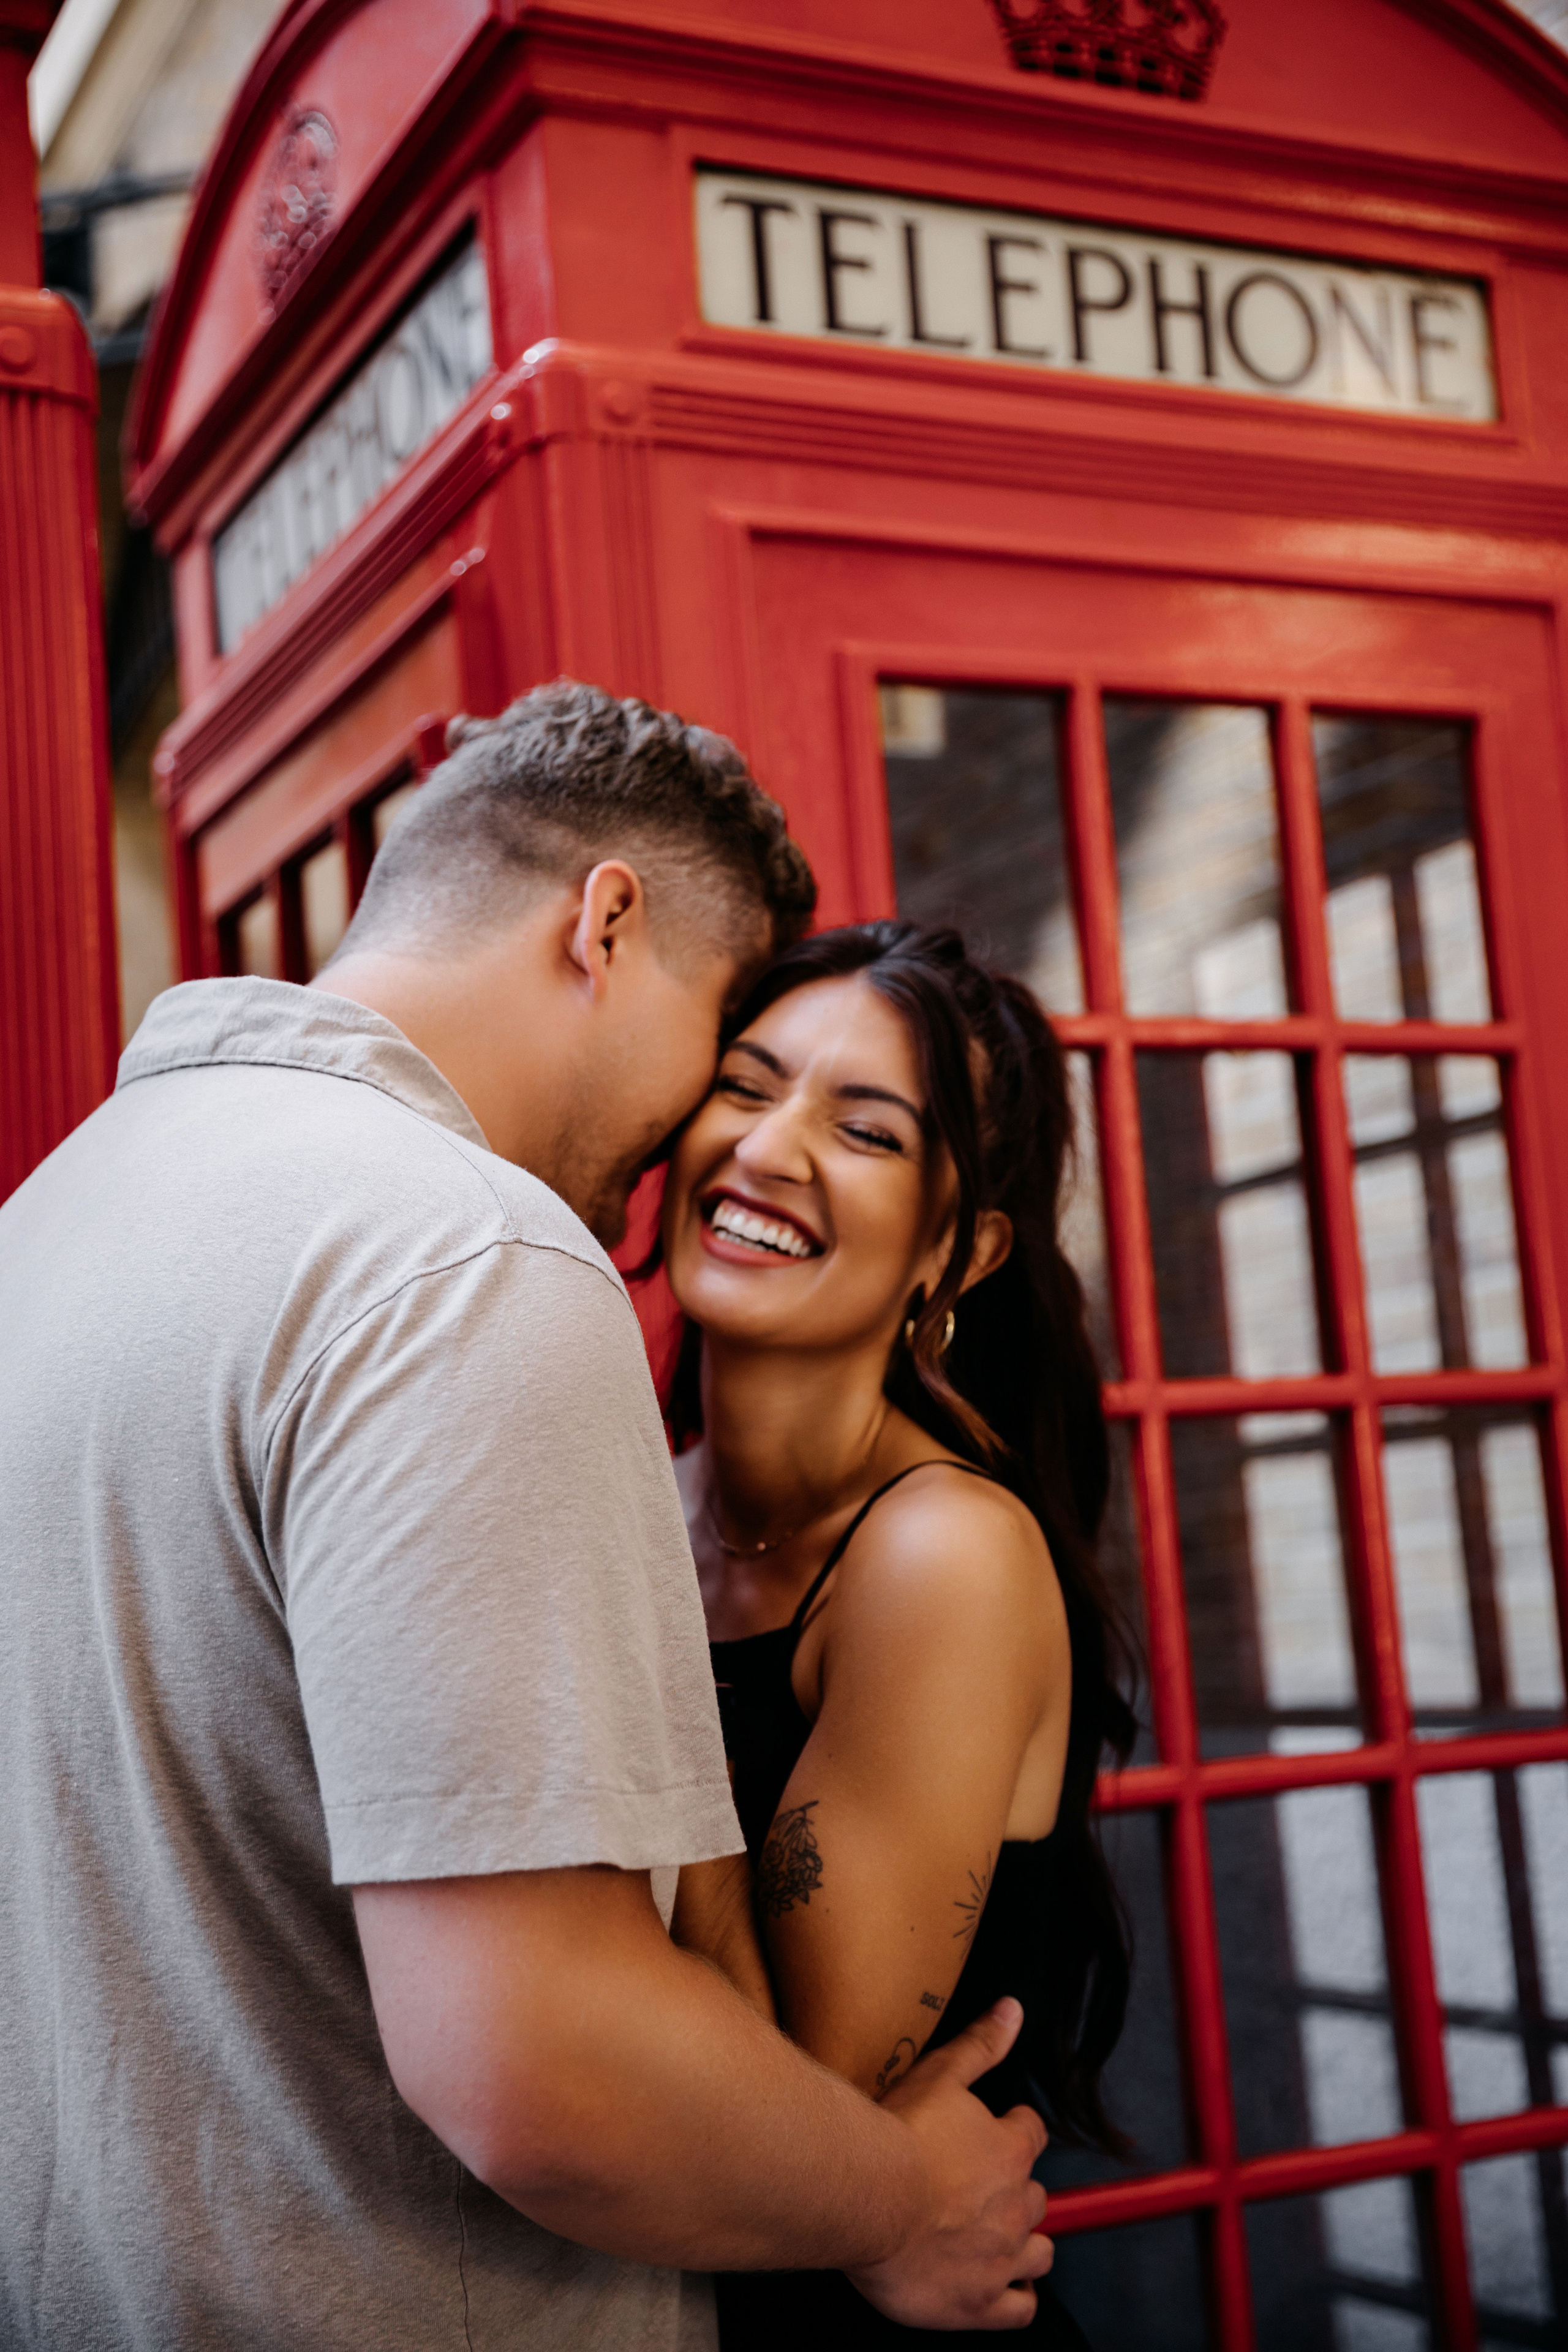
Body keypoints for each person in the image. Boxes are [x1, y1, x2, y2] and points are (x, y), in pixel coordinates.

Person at [0, 686, 1056, 2351]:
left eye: (862, 1125)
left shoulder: (50, 1214)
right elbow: (538, 2063)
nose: (709, 1139)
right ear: (605, 922)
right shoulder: (474, 1257)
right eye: (727, 1056)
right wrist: (906, 2201)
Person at [658, 921, 1138, 2348]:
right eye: (745, 1086)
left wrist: (609, 1645)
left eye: (863, 1130)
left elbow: (807, 2112)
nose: (766, 1149)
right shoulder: (640, 1496)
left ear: (956, 1249)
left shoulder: (940, 1555)